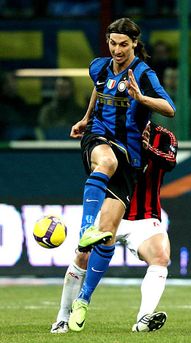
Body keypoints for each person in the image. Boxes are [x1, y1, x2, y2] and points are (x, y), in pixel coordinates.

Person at [66, 17, 176, 333]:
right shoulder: (99, 67)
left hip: (131, 175)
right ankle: (62, 315)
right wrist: (87, 118)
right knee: (105, 164)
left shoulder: (144, 75)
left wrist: (140, 98)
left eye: (123, 44)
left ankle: (85, 302)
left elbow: (169, 109)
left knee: (138, 252)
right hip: (101, 139)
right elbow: (97, 90)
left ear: (135, 44)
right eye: (113, 43)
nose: (117, 50)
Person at [50, 122, 178, 334]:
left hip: (145, 216)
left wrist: (148, 148)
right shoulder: (111, 130)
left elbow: (170, 162)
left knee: (161, 256)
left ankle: (143, 319)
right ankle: (62, 318)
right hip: (112, 210)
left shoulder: (164, 136)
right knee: (83, 256)